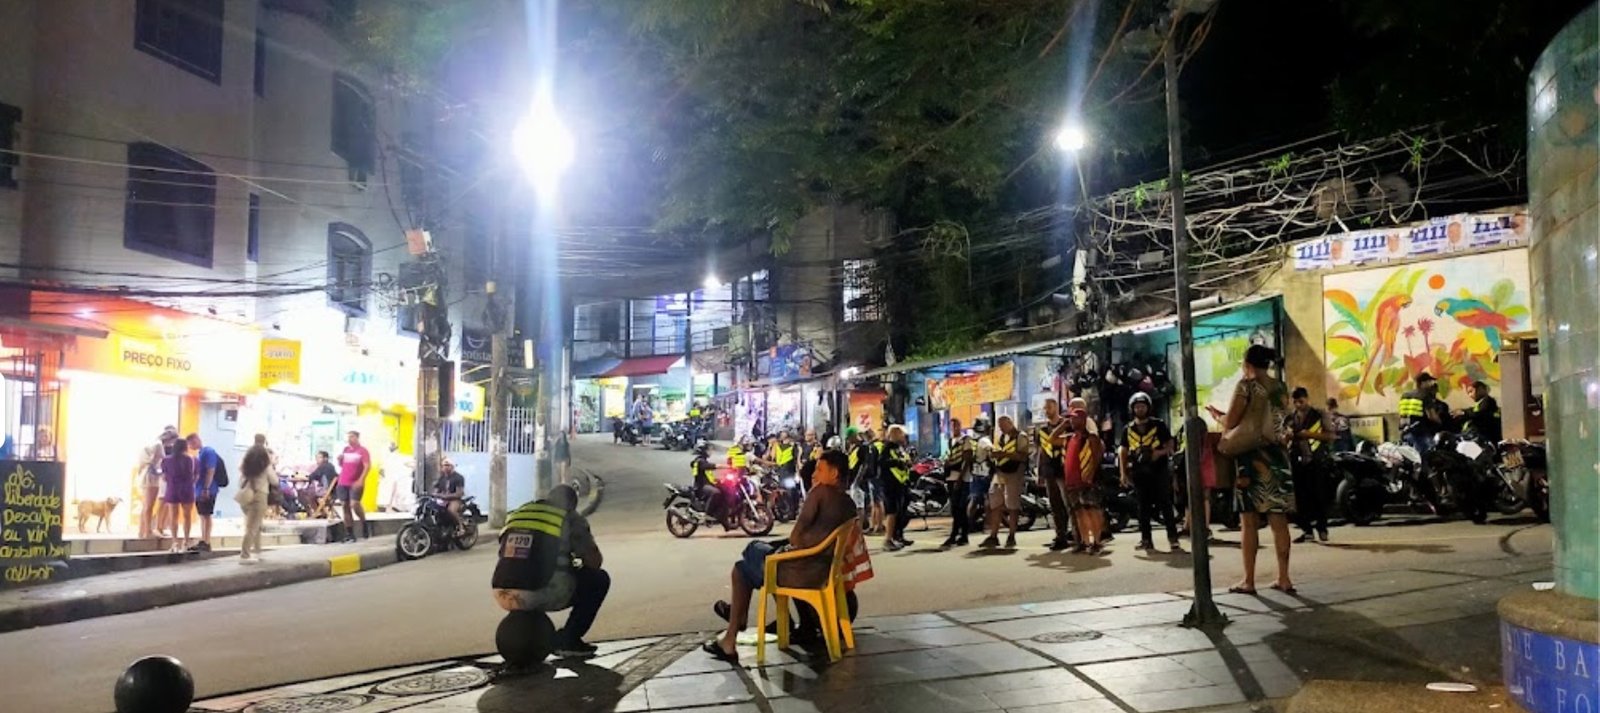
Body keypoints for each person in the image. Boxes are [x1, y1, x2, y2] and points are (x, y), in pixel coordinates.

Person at [702, 450, 857, 663]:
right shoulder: (849, 504)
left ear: (835, 473)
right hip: (822, 571)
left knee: (748, 556)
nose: (815, 475)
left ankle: (733, 632)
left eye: (820, 470)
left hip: (799, 572)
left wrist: (791, 546)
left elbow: (796, 538)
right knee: (746, 566)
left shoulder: (820, 493)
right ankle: (734, 628)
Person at [492, 484, 609, 659]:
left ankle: (527, 639)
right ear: (571, 504)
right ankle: (569, 640)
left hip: (502, 590)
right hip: (539, 590)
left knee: (537, 573)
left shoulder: (521, 512)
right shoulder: (569, 517)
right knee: (599, 580)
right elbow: (594, 561)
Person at [1221, 344, 1296, 595]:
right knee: (1278, 519)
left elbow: (1232, 420)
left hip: (1251, 458)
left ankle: (1249, 580)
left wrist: (1220, 419)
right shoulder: (1280, 387)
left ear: (1248, 363)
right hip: (1278, 456)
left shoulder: (1247, 385)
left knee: (1249, 521)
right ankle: (1284, 577)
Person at [1120, 393, 1180, 553]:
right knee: (1142, 507)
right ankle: (1146, 539)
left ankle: (1173, 539)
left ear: (1148, 407)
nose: (1140, 409)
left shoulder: (1159, 425)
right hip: (1139, 472)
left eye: (1143, 406)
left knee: (1165, 504)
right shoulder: (1128, 429)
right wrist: (1123, 472)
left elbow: (1170, 444)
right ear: (1132, 409)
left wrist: (1158, 453)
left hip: (1159, 470)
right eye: (1137, 406)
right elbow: (1123, 451)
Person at [1289, 387, 1336, 543]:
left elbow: (1330, 435)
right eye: (1295, 402)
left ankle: (1322, 528)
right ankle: (1307, 529)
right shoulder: (1291, 418)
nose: (1298, 405)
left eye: (1300, 401)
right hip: (1297, 461)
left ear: (1307, 399)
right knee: (1301, 498)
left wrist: (1310, 434)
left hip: (1317, 460)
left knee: (1319, 496)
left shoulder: (1319, 414)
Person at [980, 415, 1029, 549]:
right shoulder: (1000, 438)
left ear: (1010, 423)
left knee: (1012, 505)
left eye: (1003, 425)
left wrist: (1004, 454)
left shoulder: (1021, 436)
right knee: (995, 503)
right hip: (1000, 473)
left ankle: (1011, 535)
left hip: (1014, 474)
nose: (1001, 428)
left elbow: (1023, 456)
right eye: (999, 426)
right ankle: (993, 535)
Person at [1064, 408, 1108, 554]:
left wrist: (1090, 475)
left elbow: (1096, 458)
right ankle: (1084, 541)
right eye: (1071, 419)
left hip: (1087, 480)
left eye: (1075, 418)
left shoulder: (1091, 437)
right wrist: (1062, 425)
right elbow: (1052, 438)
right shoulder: (1071, 437)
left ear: (1083, 420)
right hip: (1072, 480)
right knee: (1079, 512)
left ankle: (1096, 541)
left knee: (1091, 510)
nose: (1072, 421)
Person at [1033, 399, 1073, 551]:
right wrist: (1039, 472)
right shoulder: (1041, 429)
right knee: (1055, 505)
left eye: (1049, 407)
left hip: (1064, 469)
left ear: (1056, 407)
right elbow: (1041, 452)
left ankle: (1076, 534)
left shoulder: (1067, 424)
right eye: (1045, 408)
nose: (1046, 410)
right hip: (1049, 470)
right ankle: (1060, 536)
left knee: (1068, 504)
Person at [235, 436, 274, 564]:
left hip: (245, 496)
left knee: (255, 525)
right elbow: (275, 480)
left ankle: (257, 551)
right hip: (260, 496)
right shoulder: (265, 464)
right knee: (252, 527)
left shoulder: (245, 463)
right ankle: (245, 554)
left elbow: (240, 478)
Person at [877, 425, 914, 551]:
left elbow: (906, 462)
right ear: (895, 434)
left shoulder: (900, 448)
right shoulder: (887, 447)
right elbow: (882, 463)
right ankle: (888, 540)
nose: (904, 437)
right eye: (902, 434)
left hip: (901, 485)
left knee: (900, 512)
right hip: (890, 485)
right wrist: (898, 463)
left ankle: (897, 536)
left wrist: (907, 463)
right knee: (892, 512)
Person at [940, 418, 975, 549]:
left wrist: (960, 478)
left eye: (956, 425)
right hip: (951, 477)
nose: (953, 428)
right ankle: (959, 535)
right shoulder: (950, 441)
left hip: (962, 479)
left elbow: (967, 460)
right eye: (951, 425)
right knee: (955, 509)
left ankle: (959, 534)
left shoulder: (966, 440)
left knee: (960, 507)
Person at [161, 437, 198, 552]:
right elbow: (195, 476)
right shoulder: (192, 460)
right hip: (187, 489)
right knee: (187, 516)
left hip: (172, 489)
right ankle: (186, 541)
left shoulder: (166, 460)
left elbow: (164, 477)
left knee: (173, 517)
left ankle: (175, 542)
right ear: (185, 447)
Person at [1399, 372, 1449, 456]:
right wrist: (1441, 423)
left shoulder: (1405, 395)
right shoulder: (1425, 396)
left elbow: (1402, 414)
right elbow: (1432, 416)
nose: (1431, 384)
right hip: (1421, 434)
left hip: (1405, 432)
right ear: (1423, 383)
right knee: (1428, 457)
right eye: (1429, 381)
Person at [187, 433, 222, 553]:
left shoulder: (208, 451)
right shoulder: (201, 453)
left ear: (196, 440)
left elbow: (210, 470)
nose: (190, 446)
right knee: (203, 515)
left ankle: (206, 541)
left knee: (206, 515)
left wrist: (206, 488)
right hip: (201, 489)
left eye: (191, 443)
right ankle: (204, 540)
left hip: (207, 489)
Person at [337, 430, 372, 542]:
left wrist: (361, 479)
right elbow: (343, 466)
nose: (349, 439)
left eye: (352, 437)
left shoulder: (363, 451)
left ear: (357, 437)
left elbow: (367, 466)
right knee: (345, 506)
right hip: (343, 481)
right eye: (348, 437)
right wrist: (340, 460)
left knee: (354, 504)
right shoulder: (346, 450)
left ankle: (363, 522)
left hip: (355, 482)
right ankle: (349, 533)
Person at [137, 440, 164, 539]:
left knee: (146, 506)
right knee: (148, 506)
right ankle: (147, 530)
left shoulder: (147, 466)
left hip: (148, 480)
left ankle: (142, 530)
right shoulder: (151, 466)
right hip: (151, 481)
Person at [433, 458, 468, 535]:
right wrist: (435, 494)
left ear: (452, 466)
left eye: (447, 465)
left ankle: (461, 527)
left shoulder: (458, 477)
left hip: (454, 499)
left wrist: (446, 496)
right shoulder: (442, 477)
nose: (445, 467)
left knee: (451, 510)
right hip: (442, 499)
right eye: (443, 465)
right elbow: (436, 489)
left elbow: (459, 493)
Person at [380, 443, 416, 514]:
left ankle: (390, 507)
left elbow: (382, 470)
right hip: (397, 478)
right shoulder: (398, 457)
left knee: (394, 493)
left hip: (394, 478)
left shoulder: (388, 458)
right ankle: (391, 507)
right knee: (395, 492)